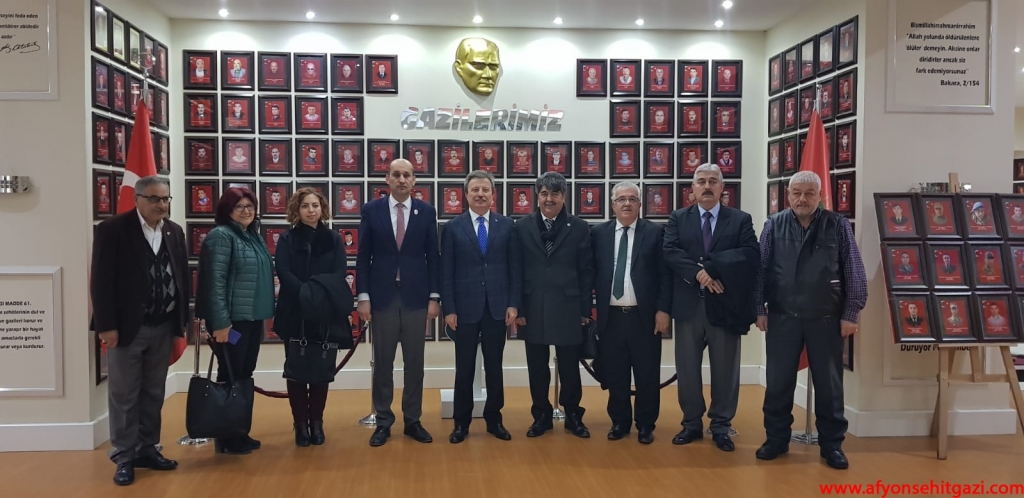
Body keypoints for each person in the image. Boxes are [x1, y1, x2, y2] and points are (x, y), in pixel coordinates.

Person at [754, 171, 867, 470]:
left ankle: (832, 445)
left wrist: (851, 313)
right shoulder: (773, 225)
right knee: (778, 383)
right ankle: (776, 439)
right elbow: (760, 270)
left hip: (826, 318)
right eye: (797, 193)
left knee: (830, 386)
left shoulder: (838, 225)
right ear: (788, 195)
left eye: (809, 193)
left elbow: (854, 270)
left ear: (820, 196)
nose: (802, 199)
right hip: (783, 317)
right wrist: (759, 309)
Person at [91, 177, 188, 486]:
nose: (162, 204)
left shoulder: (173, 231)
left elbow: (182, 277)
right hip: (126, 329)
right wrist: (106, 326)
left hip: (163, 326)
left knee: (153, 392)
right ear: (137, 200)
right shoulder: (113, 230)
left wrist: (181, 321)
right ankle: (124, 456)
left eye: (166, 199)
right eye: (155, 198)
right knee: (124, 394)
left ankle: (148, 448)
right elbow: (101, 281)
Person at [663, 164, 758, 452]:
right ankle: (691, 423)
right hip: (689, 305)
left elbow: (750, 253)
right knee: (687, 367)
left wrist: (713, 268)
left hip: (726, 304)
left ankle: (721, 426)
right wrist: (699, 274)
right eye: (701, 181)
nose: (707, 186)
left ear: (722, 188)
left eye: (713, 181)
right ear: (692, 188)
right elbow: (670, 251)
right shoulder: (678, 217)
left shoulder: (740, 219)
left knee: (726, 368)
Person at [357, 159, 441, 447]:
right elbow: (363, 257)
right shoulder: (372, 210)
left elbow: (433, 257)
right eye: (397, 175)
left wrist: (434, 297)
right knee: (383, 363)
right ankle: (383, 421)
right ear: (387, 179)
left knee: (414, 364)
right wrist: (363, 296)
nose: (402, 179)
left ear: (414, 180)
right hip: (382, 299)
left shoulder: (426, 211)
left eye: (407, 175)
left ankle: (412, 420)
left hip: (416, 298)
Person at [512, 172, 595, 438]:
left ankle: (573, 415)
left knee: (570, 365)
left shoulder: (579, 227)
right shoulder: (522, 226)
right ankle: (541, 416)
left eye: (555, 194)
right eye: (544, 193)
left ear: (564, 197)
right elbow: (516, 269)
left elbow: (586, 272)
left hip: (569, 307)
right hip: (532, 306)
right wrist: (519, 307)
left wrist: (585, 310)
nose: (549, 199)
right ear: (537, 197)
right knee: (537, 366)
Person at [440, 171, 521, 443]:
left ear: (493, 195)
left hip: (497, 308)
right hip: (464, 309)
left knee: (494, 367)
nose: (480, 194)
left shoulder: (507, 225)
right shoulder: (453, 228)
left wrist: (513, 304)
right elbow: (446, 272)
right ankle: (460, 423)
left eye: (485, 189)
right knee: (464, 367)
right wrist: (449, 308)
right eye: (474, 190)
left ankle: (494, 420)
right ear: (466, 194)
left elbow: (515, 268)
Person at [195, 187, 275, 455]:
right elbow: (214, 282)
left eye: (250, 206)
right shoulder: (221, 236)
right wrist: (221, 323)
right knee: (230, 373)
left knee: (243, 373)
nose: (246, 211)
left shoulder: (253, 236)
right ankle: (226, 435)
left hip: (251, 319)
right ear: (227, 210)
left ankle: (238, 431)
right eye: (239, 206)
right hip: (231, 323)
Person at [592, 182, 672, 444]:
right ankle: (620, 421)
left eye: (632, 199)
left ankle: (646, 424)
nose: (627, 203)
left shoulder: (655, 232)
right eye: (621, 199)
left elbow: (665, 275)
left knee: (647, 373)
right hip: (611, 317)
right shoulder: (599, 233)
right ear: (612, 205)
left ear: (640, 204)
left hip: (644, 317)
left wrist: (663, 310)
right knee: (616, 373)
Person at [274, 188, 354, 447]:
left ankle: (317, 422)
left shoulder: (333, 239)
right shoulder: (287, 239)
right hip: (294, 310)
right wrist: (304, 293)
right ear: (297, 210)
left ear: (322, 209)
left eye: (315, 205)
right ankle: (300, 424)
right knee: (296, 370)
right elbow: (283, 270)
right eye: (305, 206)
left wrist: (315, 294)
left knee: (321, 368)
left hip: (324, 311)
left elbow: (338, 272)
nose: (311, 210)